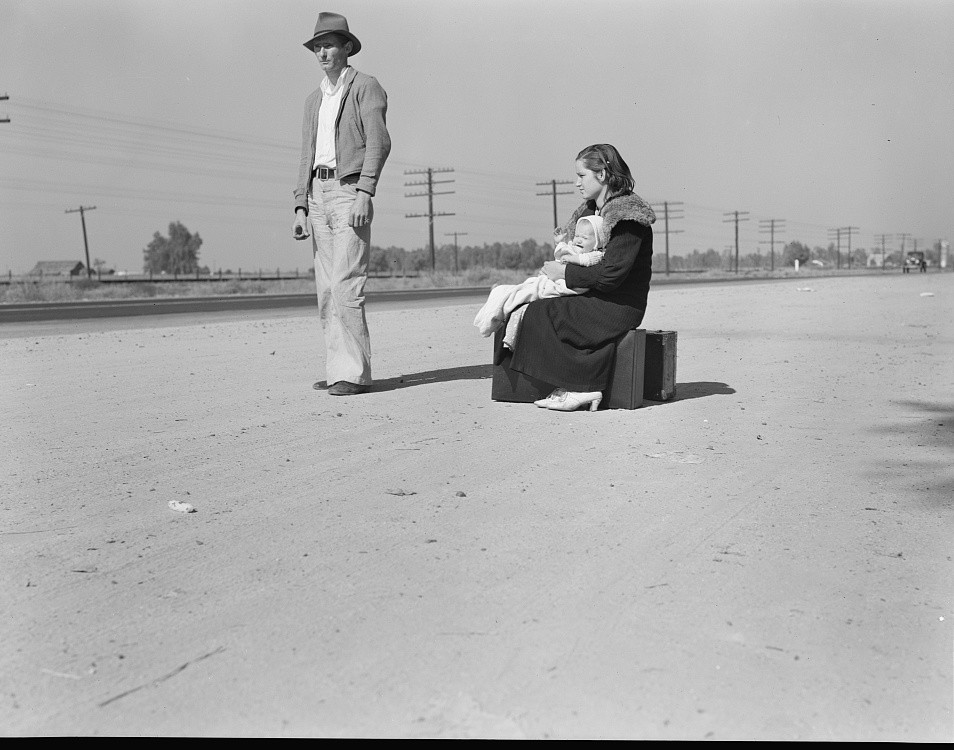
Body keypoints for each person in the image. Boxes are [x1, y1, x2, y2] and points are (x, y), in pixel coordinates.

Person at [505, 143, 655, 412]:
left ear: (603, 174)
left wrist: (563, 272)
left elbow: (612, 275)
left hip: (619, 305)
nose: (577, 183)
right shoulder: (590, 212)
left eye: (582, 175)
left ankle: (581, 387)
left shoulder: (627, 216)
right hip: (596, 297)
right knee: (526, 307)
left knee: (542, 314)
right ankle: (580, 383)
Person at [292, 12, 391, 396]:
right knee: (325, 291)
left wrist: (365, 191)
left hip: (349, 191)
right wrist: (300, 205)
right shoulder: (313, 99)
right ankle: (338, 370)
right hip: (317, 196)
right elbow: (306, 155)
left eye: (329, 45)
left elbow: (379, 142)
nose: (322, 52)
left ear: (347, 48)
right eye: (317, 46)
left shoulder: (366, 87)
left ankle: (354, 374)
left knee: (346, 283)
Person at [473, 214, 606, 346]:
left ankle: (497, 312)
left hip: (559, 287)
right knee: (519, 290)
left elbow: (588, 259)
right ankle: (497, 304)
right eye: (577, 236)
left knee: (523, 295)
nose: (578, 240)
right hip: (551, 281)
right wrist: (559, 242)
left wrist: (571, 260)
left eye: (584, 237)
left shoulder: (595, 255)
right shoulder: (573, 249)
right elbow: (561, 252)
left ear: (597, 242)